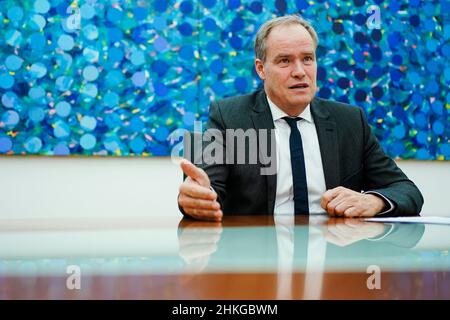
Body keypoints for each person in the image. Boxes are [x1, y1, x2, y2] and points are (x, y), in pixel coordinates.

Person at [177, 14, 423, 221]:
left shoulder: (350, 121)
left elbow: (407, 191)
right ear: (261, 69)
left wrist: (374, 201)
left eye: (307, 58)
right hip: (257, 262)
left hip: (334, 262)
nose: (299, 72)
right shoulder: (227, 116)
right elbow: (206, 190)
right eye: (285, 61)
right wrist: (197, 196)